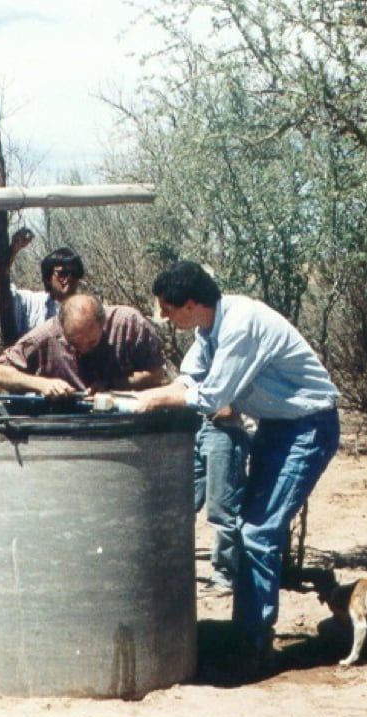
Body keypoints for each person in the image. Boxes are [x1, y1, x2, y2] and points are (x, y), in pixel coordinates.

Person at [131, 261, 339, 670]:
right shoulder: (208, 329)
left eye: (170, 311)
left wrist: (154, 399)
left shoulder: (241, 325)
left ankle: (253, 645)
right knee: (248, 528)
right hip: (278, 428)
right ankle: (247, 632)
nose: (169, 320)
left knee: (259, 531)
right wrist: (142, 396)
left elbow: (210, 398)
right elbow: (189, 379)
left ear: (191, 304)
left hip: (308, 428)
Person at [0, 293, 165, 397]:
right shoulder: (46, 335)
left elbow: (157, 374)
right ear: (61, 327)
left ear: (103, 323)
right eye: (74, 344)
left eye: (92, 342)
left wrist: (113, 384)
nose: (84, 350)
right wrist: (41, 384)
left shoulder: (129, 324)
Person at [0, 230, 83, 339]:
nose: (69, 278)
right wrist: (12, 251)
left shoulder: (87, 310)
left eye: (75, 273)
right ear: (48, 278)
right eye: (62, 273)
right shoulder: (31, 303)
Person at [194, 408, 251, 596]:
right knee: (182, 504)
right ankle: (179, 569)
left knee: (222, 509)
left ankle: (224, 576)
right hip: (197, 426)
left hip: (225, 429)